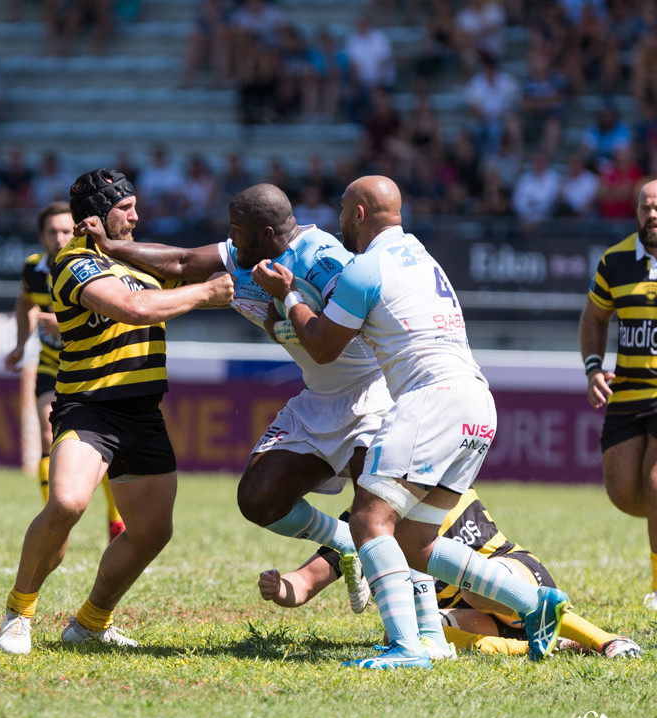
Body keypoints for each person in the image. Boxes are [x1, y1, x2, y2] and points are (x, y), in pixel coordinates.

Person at [253, 175, 568, 668]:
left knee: (368, 520)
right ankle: (534, 603)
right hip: (478, 402)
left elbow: (322, 346)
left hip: (431, 400)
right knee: (416, 542)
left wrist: (288, 294)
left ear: (358, 214)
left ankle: (406, 647)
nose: (338, 219)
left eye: (342, 209)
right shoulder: (422, 256)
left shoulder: (365, 268)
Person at [78, 184, 418, 633]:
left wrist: (288, 308)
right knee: (258, 499)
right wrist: (113, 247)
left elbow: (339, 338)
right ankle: (344, 545)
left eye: (237, 231)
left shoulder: (322, 257)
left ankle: (417, 631)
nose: (229, 240)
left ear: (267, 232)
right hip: (319, 398)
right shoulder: (245, 254)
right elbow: (180, 261)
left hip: (372, 394)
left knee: (378, 519)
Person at [0, 169, 235, 655]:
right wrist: (206, 293)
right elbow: (135, 308)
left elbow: (195, 269)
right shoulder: (74, 263)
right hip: (90, 409)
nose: (135, 216)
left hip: (143, 411)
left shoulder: (139, 259)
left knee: (152, 533)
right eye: (125, 208)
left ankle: (90, 621)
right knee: (66, 503)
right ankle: (18, 612)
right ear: (98, 214)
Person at [258, 490, 642, 659]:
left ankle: (606, 640)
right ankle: (549, 645)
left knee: (474, 590)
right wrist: (280, 587)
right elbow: (304, 584)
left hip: (515, 577)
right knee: (408, 631)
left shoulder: (441, 486)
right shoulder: (363, 523)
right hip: (467, 617)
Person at [4, 201, 126, 544]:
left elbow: (112, 314)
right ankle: (53, 527)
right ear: (41, 236)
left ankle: (116, 518)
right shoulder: (33, 269)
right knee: (47, 433)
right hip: (51, 365)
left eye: (65, 230)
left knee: (101, 444)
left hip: (92, 367)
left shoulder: (94, 264)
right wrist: (18, 344)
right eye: (51, 231)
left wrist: (63, 325)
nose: (59, 237)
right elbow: (25, 303)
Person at [580, 179, 657, 612]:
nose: (652, 214)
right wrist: (593, 368)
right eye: (645, 207)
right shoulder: (616, 260)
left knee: (655, 483)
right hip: (627, 394)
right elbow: (593, 318)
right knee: (625, 492)